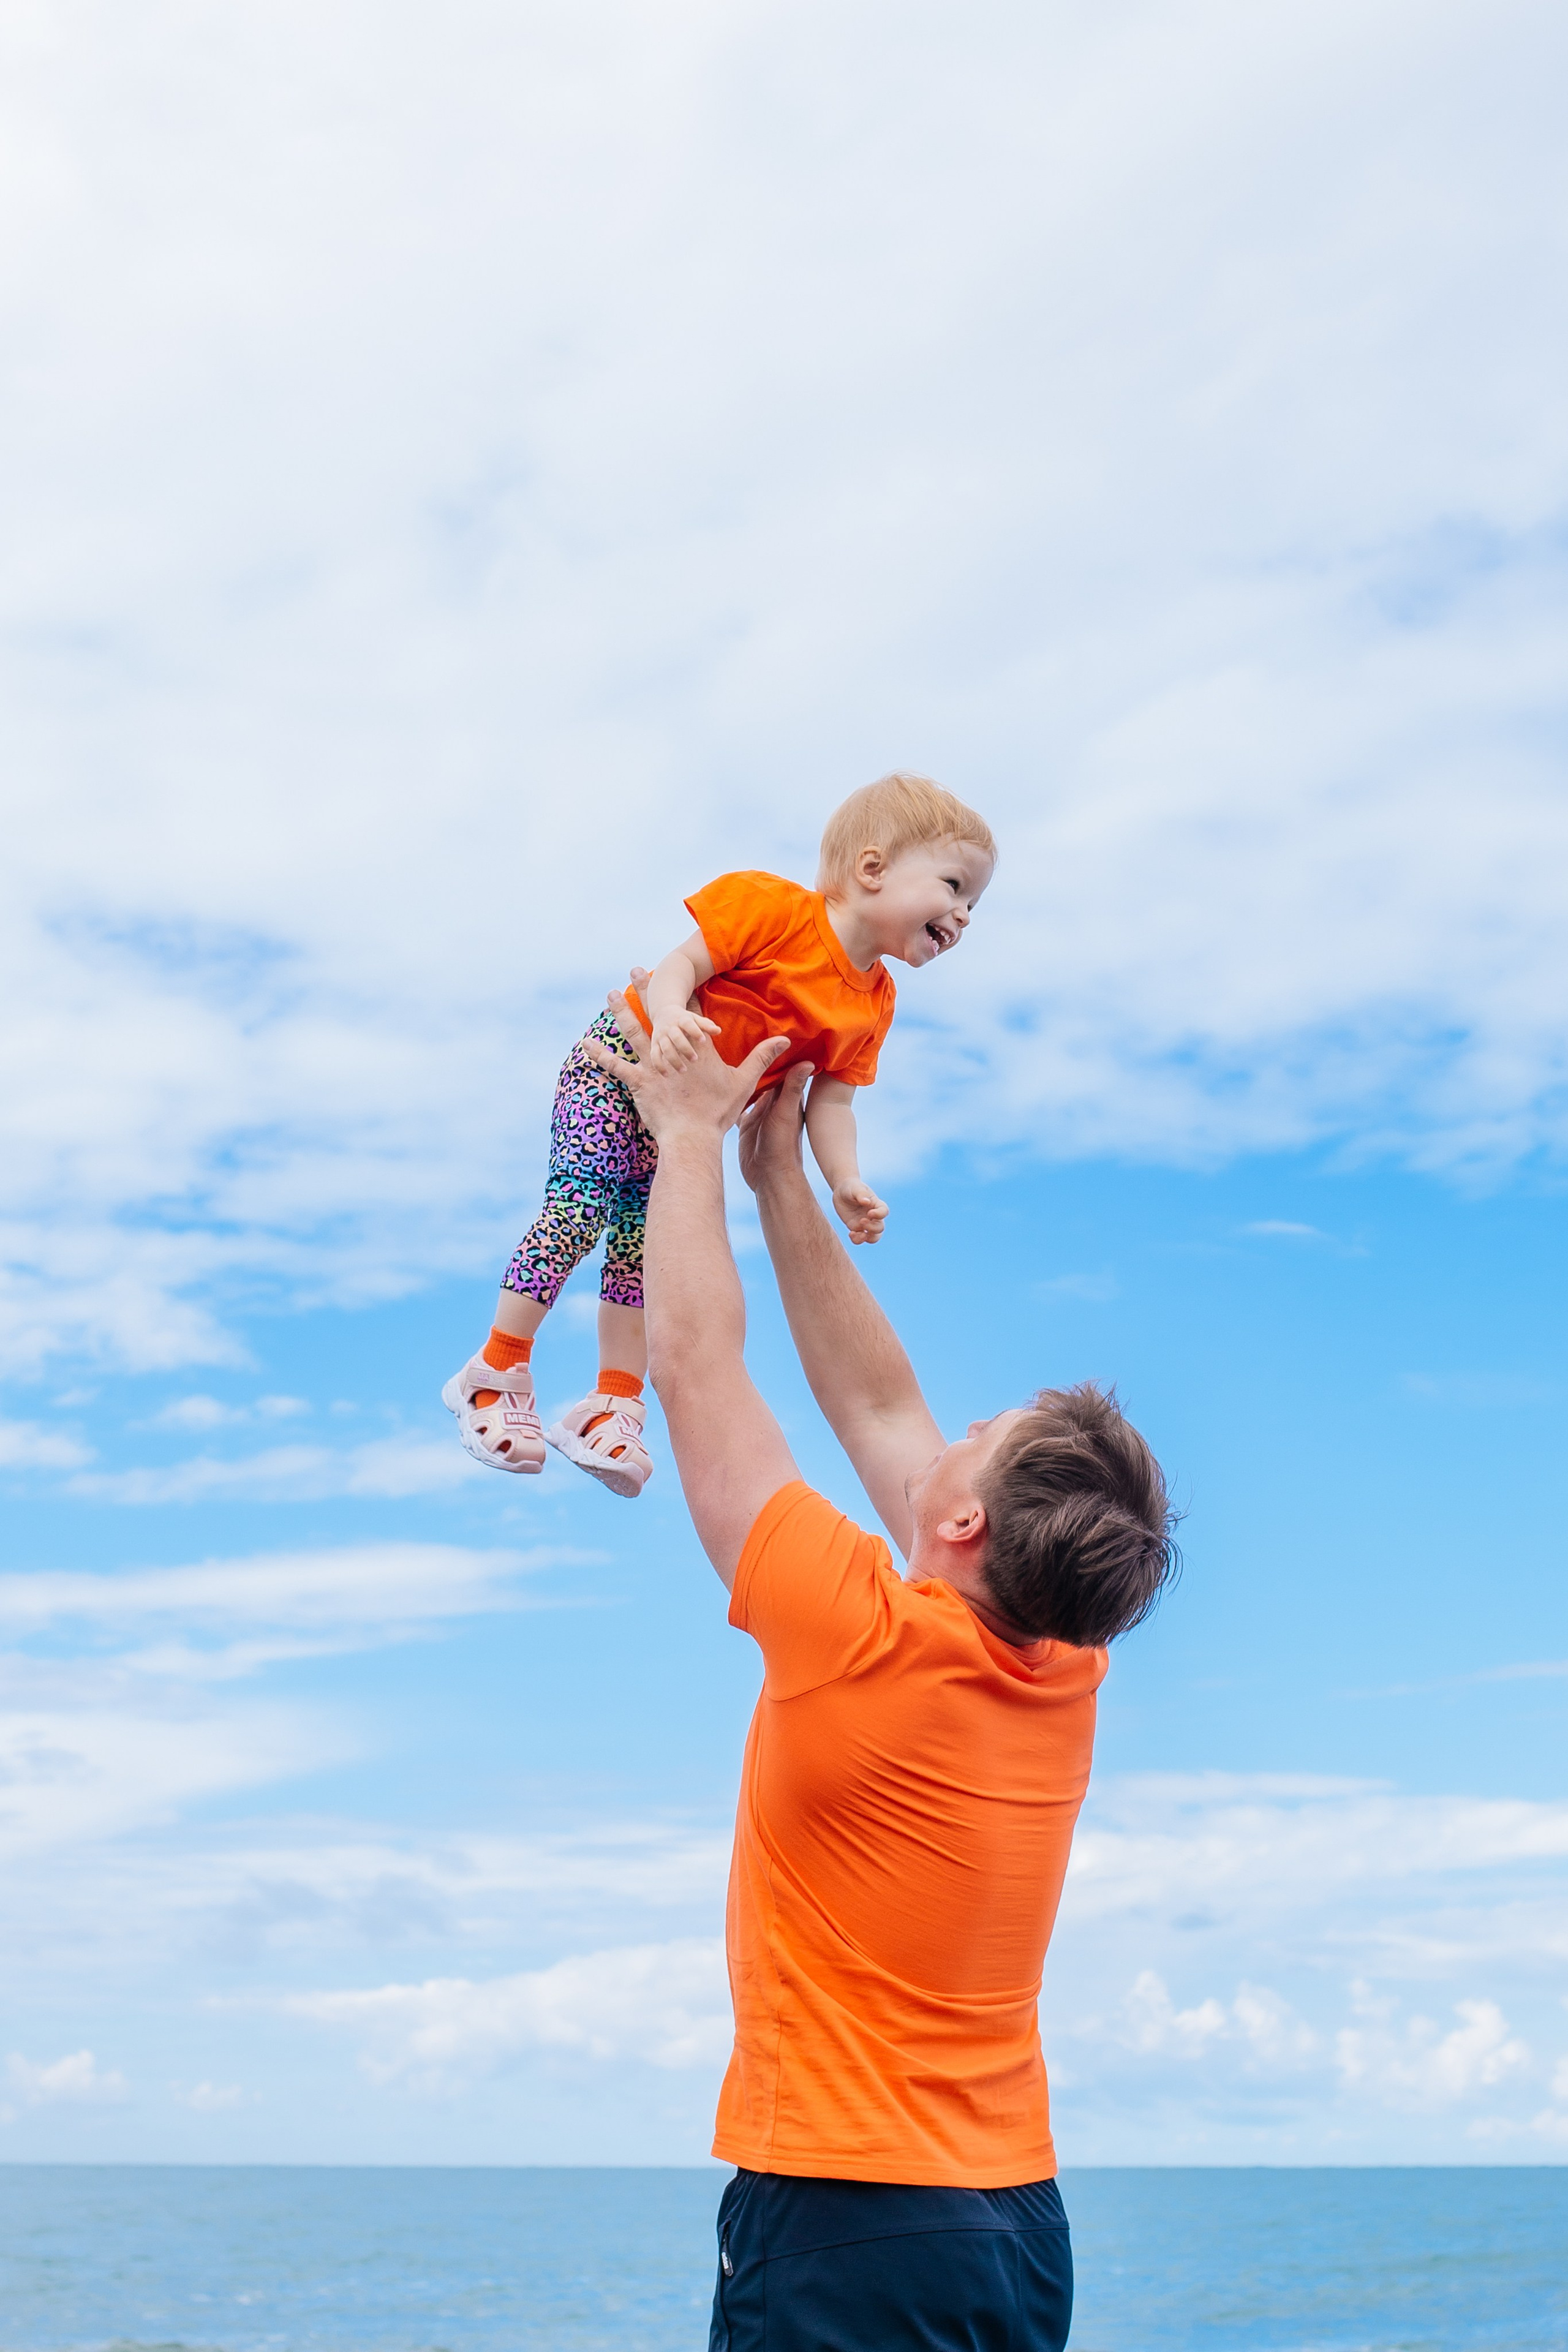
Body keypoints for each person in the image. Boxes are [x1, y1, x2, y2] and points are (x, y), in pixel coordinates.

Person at [581, 1000, 1178, 2352]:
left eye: (983, 1432)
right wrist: (777, 1175)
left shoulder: (853, 1627)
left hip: (854, 2220)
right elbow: (875, 1406)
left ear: (963, 1523)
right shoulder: (1060, 1671)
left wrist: (682, 1134)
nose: (952, 1422)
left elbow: (692, 1368)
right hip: (1016, 2227)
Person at [441, 773, 995, 1499]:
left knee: (644, 1254)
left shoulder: (873, 1004)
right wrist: (670, 1015)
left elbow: (831, 1104)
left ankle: (611, 1403)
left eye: (973, 905)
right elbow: (682, 964)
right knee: (579, 1211)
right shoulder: (771, 907)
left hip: (684, 1121)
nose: (962, 914)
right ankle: (494, 1367)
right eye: (954, 886)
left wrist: (845, 1182)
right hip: (620, 1067)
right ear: (872, 869)